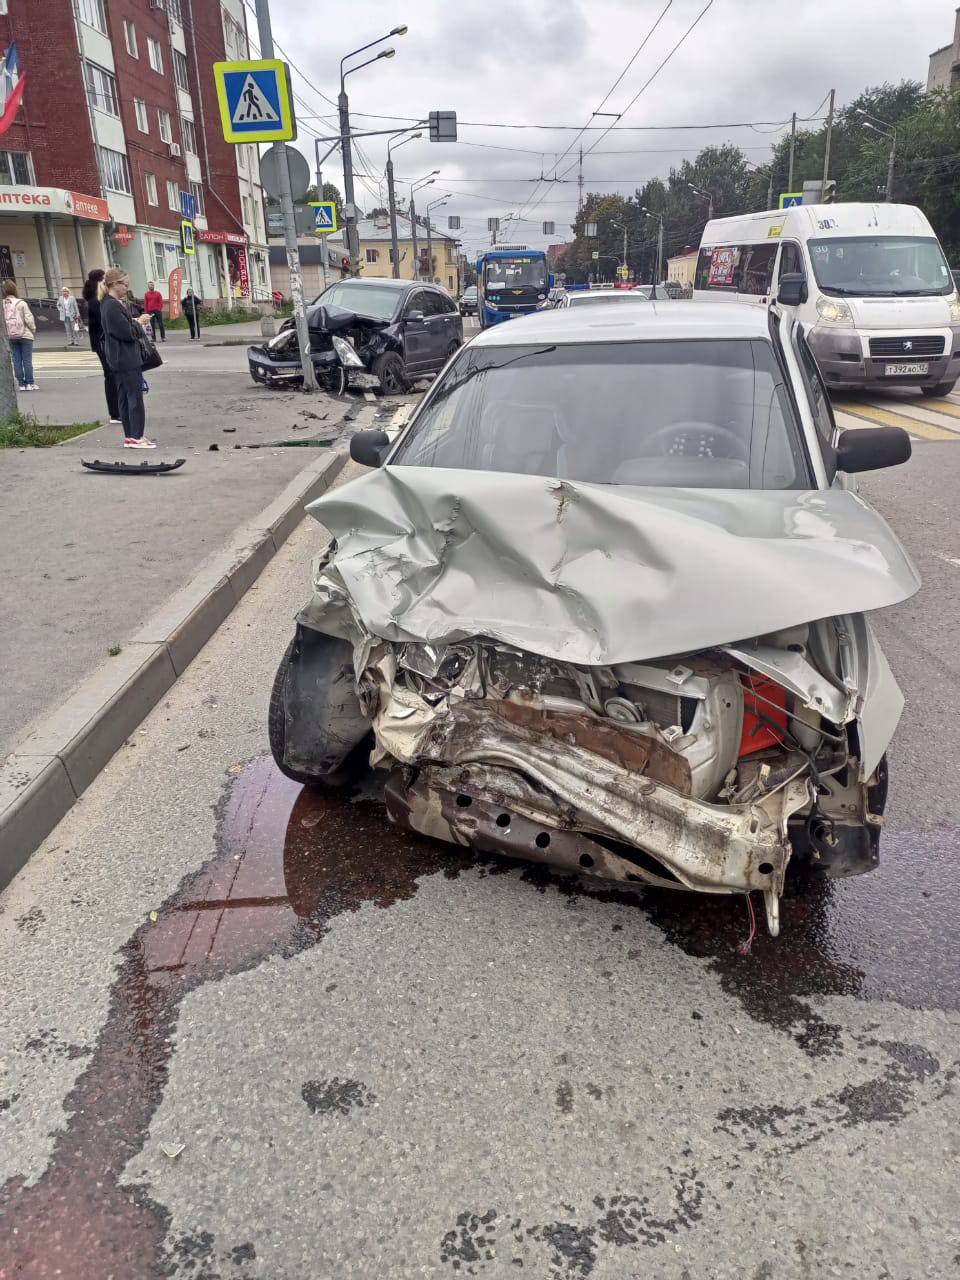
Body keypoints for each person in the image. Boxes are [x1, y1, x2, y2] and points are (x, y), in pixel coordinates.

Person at [100, 267, 156, 449]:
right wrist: (139, 323)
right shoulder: (112, 305)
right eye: (125, 284)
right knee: (134, 398)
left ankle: (131, 437)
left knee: (125, 397)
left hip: (118, 357)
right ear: (115, 284)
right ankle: (137, 437)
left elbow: (120, 328)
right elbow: (127, 333)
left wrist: (133, 322)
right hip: (125, 357)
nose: (127, 288)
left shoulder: (108, 304)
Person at [82, 269, 121, 425]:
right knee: (111, 375)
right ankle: (115, 413)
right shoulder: (96, 301)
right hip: (103, 343)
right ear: (99, 282)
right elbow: (107, 322)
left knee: (111, 374)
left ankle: (117, 411)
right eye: (105, 279)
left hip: (101, 342)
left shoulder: (96, 300)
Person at [3, 279, 37, 390]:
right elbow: (29, 319)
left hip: (10, 336)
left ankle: (21, 384)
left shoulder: (2, 304)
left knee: (16, 360)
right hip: (25, 335)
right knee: (27, 360)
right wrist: (33, 330)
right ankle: (30, 383)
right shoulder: (21, 303)